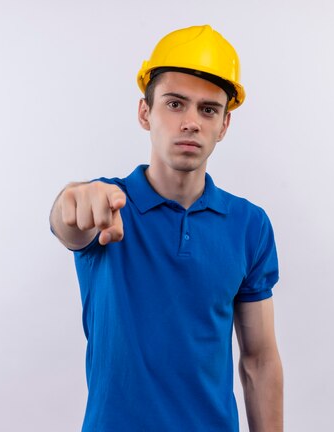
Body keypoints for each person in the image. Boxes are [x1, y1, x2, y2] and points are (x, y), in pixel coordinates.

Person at [50, 25, 283, 432]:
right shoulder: (107, 205)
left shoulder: (250, 225)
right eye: (175, 104)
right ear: (146, 113)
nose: (191, 122)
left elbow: (258, 361)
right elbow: (71, 223)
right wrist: (71, 199)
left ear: (224, 125)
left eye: (208, 109)